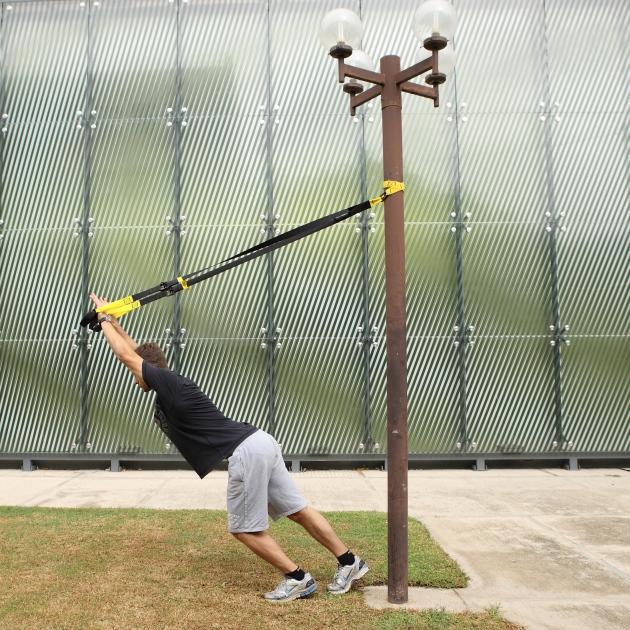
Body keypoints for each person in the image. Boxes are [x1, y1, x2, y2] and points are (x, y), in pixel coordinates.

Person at [89, 293, 369, 602]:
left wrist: (103, 321)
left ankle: (298, 578)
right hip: (260, 442)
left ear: (146, 370)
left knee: (242, 529)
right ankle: (349, 561)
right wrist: (114, 322)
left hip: (246, 453)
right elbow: (134, 353)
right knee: (297, 511)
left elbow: (127, 357)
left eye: (135, 375)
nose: (133, 380)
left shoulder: (167, 382)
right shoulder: (170, 380)